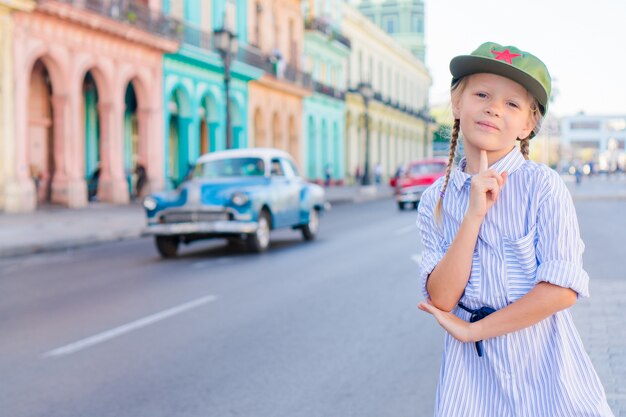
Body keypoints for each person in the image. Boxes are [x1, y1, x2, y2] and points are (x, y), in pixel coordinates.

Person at [416, 42, 613, 416]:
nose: (493, 107)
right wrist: (473, 215)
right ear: (457, 104)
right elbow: (441, 298)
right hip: (471, 378)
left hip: (546, 367)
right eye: (482, 94)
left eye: (512, 104)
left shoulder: (542, 186)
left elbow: (561, 290)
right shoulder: (435, 200)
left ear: (528, 125)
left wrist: (474, 330)